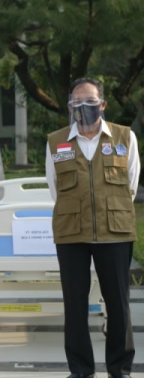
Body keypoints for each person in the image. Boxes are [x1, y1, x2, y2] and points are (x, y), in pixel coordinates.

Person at [45, 77, 140, 378]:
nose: (83, 107)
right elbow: (54, 189)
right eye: (77, 102)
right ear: (70, 105)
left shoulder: (125, 137)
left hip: (115, 231)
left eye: (90, 102)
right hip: (72, 232)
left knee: (119, 305)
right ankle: (81, 369)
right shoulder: (56, 141)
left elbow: (131, 186)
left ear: (102, 104)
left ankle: (120, 368)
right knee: (74, 305)